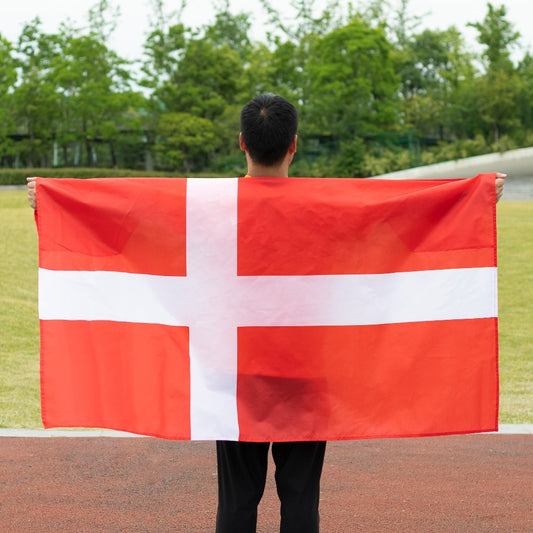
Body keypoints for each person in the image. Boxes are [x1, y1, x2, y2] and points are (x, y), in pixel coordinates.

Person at [27, 93, 506, 533]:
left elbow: (135, 220)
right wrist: (476, 194)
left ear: (241, 143)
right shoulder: (326, 208)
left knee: (236, 503)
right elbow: (395, 219)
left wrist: (52, 199)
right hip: (306, 374)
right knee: (301, 501)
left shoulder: (209, 209)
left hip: (235, 375)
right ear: (294, 145)